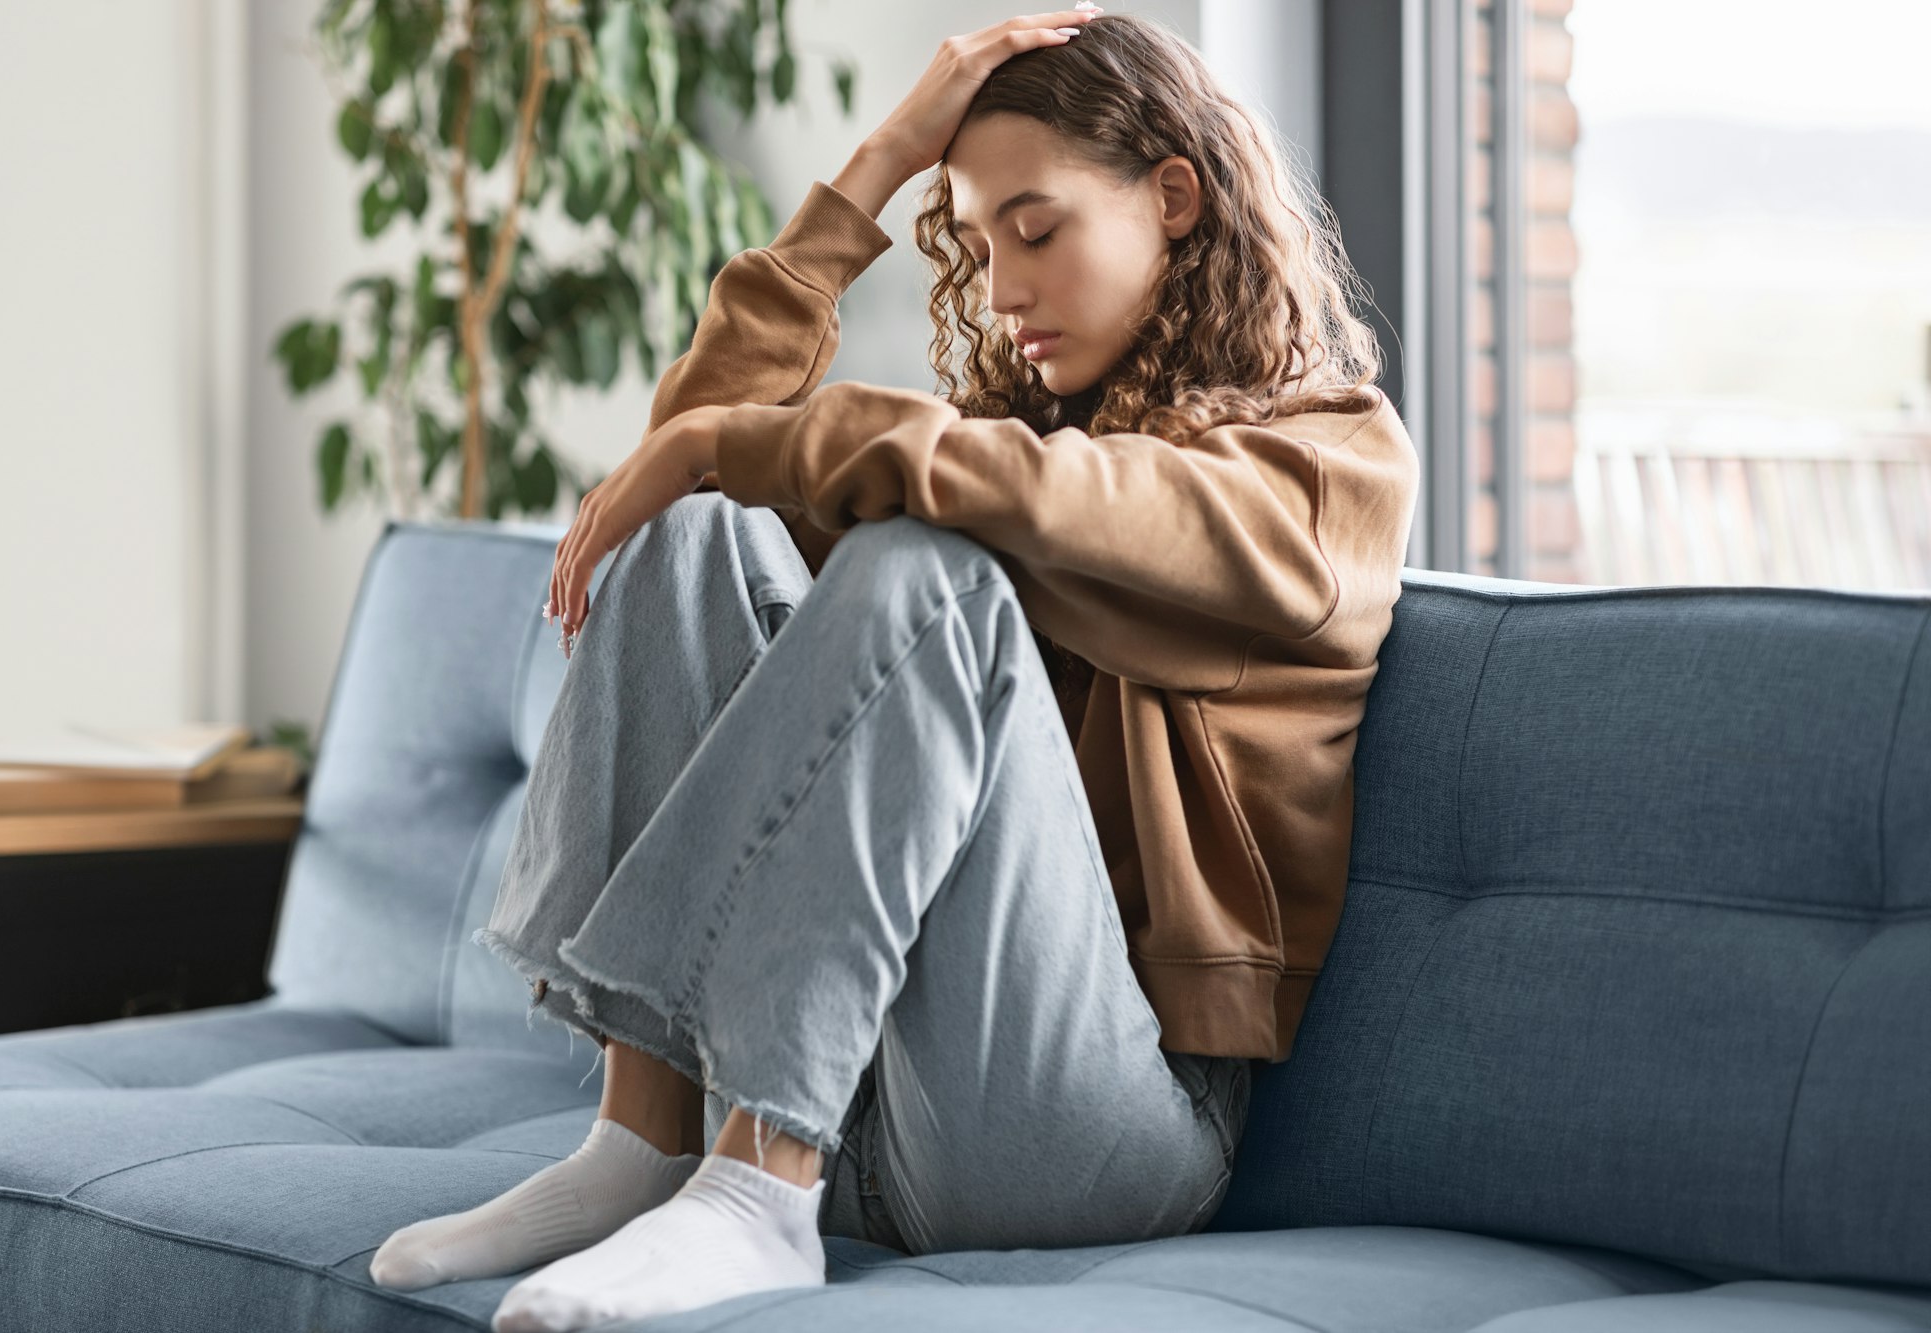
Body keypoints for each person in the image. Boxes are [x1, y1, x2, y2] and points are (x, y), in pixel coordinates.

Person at [371, 6, 1420, 1330]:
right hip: (872, 1090)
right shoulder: (1016, 442)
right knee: (701, 534)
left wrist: (742, 448)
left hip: (1101, 1127)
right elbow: (695, 456)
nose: (1003, 290)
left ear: (1173, 198)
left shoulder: (1330, 463)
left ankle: (756, 1195)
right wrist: (873, 168)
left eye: (1035, 231)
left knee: (932, 564)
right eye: (978, 248)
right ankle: (645, 1142)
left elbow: (1052, 497)